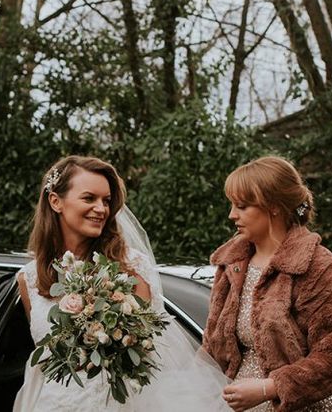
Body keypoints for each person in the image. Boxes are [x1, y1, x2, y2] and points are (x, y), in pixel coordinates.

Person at [13, 155, 230, 411]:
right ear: (55, 201)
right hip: (53, 403)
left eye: (106, 201)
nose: (101, 209)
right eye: (89, 198)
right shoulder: (29, 278)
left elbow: (154, 351)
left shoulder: (130, 267)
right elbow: (44, 358)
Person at [203, 156, 332, 412]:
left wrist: (270, 388)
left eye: (242, 206)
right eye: (232, 205)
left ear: (273, 206)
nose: (232, 215)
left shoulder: (317, 266)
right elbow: (212, 347)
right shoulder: (231, 264)